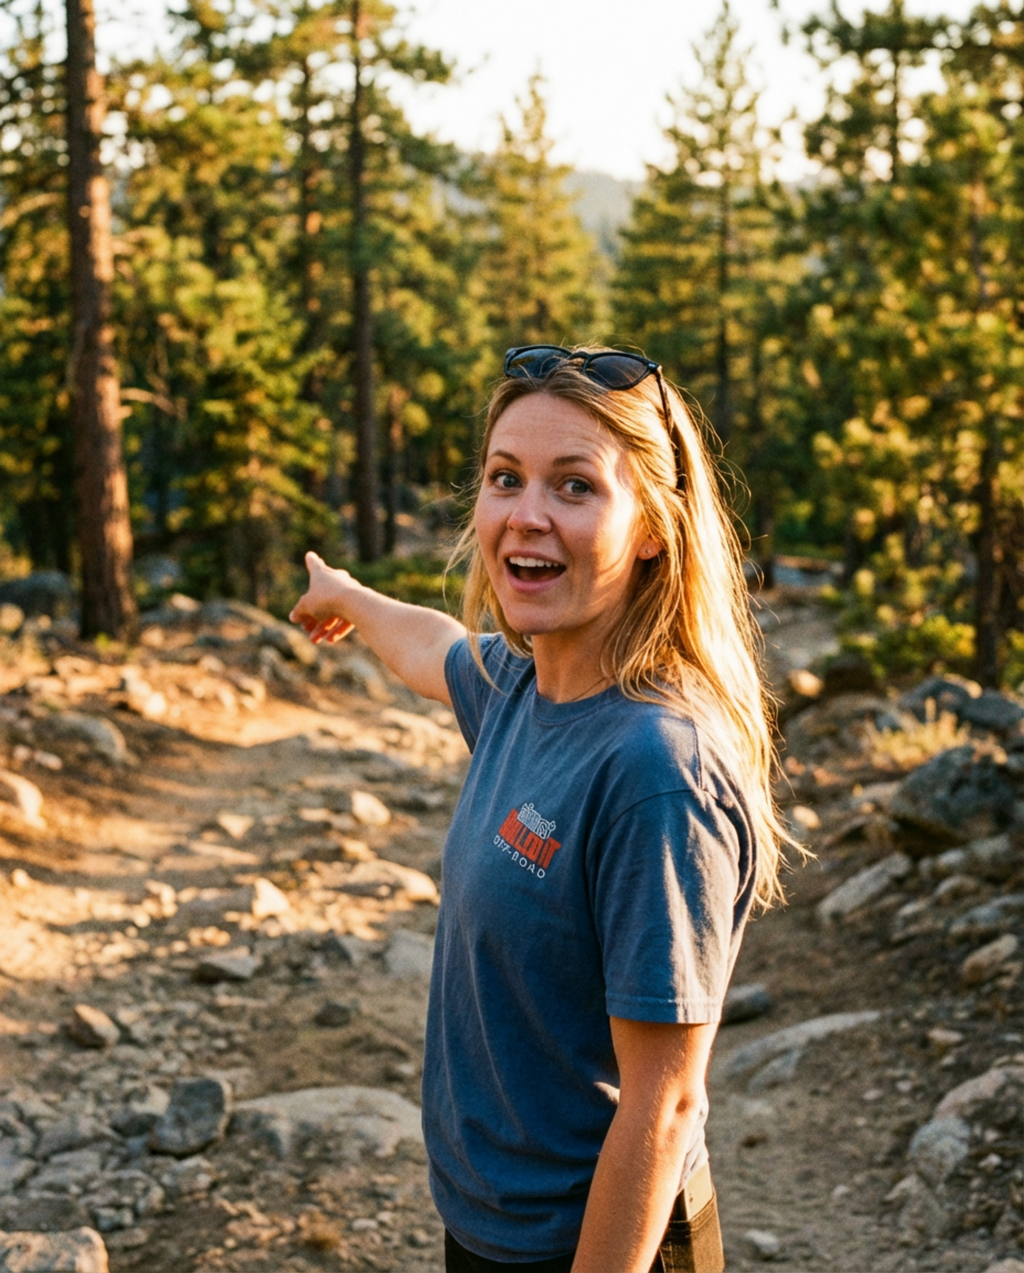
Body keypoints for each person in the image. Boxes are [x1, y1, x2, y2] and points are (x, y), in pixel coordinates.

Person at [290, 345, 793, 1273]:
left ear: (652, 526)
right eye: (504, 477)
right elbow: (435, 645)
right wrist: (351, 599)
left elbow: (664, 1104)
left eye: (574, 486)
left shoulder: (655, 769)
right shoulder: (526, 688)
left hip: (593, 1244)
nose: (527, 514)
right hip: (490, 1225)